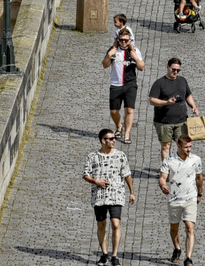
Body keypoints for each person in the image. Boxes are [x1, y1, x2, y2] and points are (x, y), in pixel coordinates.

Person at [84, 127, 136, 266]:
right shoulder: (92, 156)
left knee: (115, 223)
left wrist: (131, 192)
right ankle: (104, 254)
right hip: (99, 196)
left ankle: (114, 255)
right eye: (111, 139)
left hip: (116, 194)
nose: (114, 141)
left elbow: (127, 174)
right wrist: (96, 181)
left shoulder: (120, 155)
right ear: (103, 140)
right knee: (101, 224)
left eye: (114, 138)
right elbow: (85, 174)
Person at [159, 134, 205, 266]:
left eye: (190, 146)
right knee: (174, 227)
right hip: (174, 198)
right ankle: (177, 248)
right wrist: (163, 186)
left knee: (190, 227)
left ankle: (188, 258)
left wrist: (200, 193)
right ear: (179, 146)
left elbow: (199, 177)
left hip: (190, 197)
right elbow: (162, 177)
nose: (189, 149)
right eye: (186, 147)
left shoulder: (196, 159)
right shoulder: (169, 160)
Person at [149, 57, 202, 160]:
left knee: (183, 145)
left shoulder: (182, 80)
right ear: (168, 67)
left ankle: (181, 168)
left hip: (181, 121)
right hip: (164, 122)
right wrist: (166, 102)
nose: (175, 72)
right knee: (166, 146)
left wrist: (193, 106)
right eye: (173, 69)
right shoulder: (159, 83)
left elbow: (188, 96)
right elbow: (152, 100)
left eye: (178, 70)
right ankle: (166, 170)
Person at [104, 29, 146, 144]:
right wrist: (109, 56)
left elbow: (142, 67)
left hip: (130, 84)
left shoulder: (135, 51)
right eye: (121, 40)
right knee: (113, 111)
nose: (123, 42)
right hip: (116, 84)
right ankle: (119, 126)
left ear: (130, 40)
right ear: (118, 39)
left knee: (129, 110)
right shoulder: (113, 50)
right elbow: (105, 65)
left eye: (126, 40)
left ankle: (127, 134)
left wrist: (136, 58)